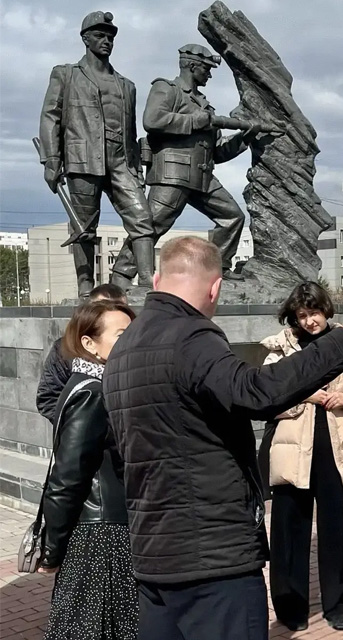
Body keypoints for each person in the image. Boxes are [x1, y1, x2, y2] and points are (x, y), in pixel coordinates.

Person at [101, 237, 343, 640]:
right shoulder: (191, 337)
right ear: (215, 287)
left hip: (154, 553)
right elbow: (257, 391)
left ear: (156, 278)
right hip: (212, 559)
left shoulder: (125, 347)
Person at [259, 282, 343, 632]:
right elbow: (264, 398)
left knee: (337, 531)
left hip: (338, 453)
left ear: (327, 310)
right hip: (292, 453)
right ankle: (290, 608)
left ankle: (338, 604)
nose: (310, 321)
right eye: (303, 315)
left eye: (315, 312)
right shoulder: (280, 351)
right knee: (288, 532)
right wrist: (307, 396)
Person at [113, 44, 264, 282]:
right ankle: (121, 276)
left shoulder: (205, 105)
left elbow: (218, 153)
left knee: (233, 217)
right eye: (206, 68)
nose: (210, 74)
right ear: (192, 65)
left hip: (202, 176)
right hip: (173, 174)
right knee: (150, 226)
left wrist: (244, 138)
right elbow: (152, 120)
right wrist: (194, 121)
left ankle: (217, 269)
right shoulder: (167, 89)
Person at [39, 300, 138, 640]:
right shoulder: (93, 393)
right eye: (121, 335)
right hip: (100, 537)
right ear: (89, 343)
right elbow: (67, 478)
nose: (131, 343)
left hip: (100, 529)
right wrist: (52, 549)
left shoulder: (95, 385)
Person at [38, 11, 154, 295]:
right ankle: (85, 285)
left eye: (110, 37)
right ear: (85, 39)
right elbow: (50, 116)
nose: (107, 41)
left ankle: (149, 281)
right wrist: (52, 160)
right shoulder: (66, 74)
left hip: (121, 161)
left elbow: (131, 130)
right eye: (100, 36)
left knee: (143, 220)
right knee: (84, 227)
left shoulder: (127, 85)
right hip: (83, 158)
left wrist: (136, 167)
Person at [36, 283, 127, 425]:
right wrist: (80, 425)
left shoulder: (135, 348)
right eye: (102, 308)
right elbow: (47, 398)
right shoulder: (64, 349)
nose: (115, 314)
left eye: (122, 309)